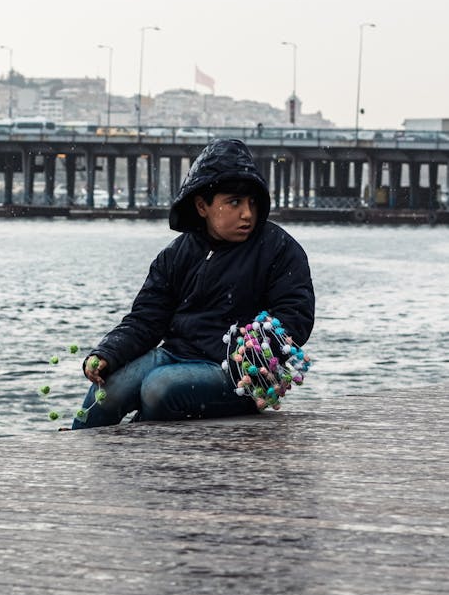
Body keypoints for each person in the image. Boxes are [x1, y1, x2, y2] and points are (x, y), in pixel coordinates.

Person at [72, 138, 314, 429]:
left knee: (159, 387)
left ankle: (137, 443)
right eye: (234, 203)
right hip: (176, 354)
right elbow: (146, 318)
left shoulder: (278, 248)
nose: (247, 214)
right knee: (109, 390)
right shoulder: (176, 254)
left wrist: (251, 354)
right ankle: (79, 446)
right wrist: (106, 353)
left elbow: (295, 313)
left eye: (252, 202)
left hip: (237, 374)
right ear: (202, 206)